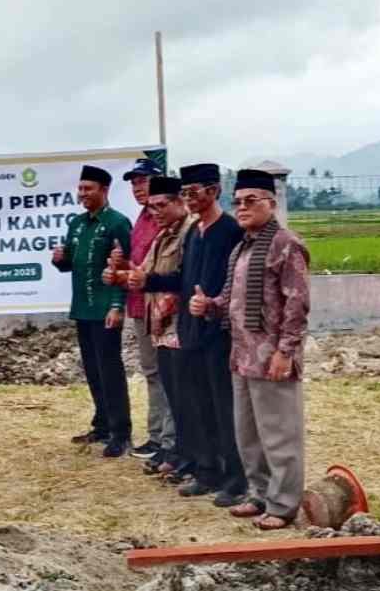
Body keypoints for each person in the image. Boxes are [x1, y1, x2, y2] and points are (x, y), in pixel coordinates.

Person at [191, 169, 310, 531]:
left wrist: (285, 351)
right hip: (242, 355)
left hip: (272, 357)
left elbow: (297, 304)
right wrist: (209, 305)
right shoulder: (242, 247)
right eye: (237, 201)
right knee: (249, 435)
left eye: (250, 200)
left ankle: (284, 505)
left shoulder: (286, 244)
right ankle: (259, 494)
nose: (241, 207)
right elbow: (231, 300)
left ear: (270, 204)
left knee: (279, 434)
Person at [128, 163, 246, 506]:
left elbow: (234, 284)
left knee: (223, 408)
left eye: (194, 192)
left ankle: (234, 478)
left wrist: (213, 305)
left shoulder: (229, 231)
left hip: (219, 332)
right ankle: (206, 472)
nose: (190, 199)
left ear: (214, 191)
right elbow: (183, 280)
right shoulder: (196, 232)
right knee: (199, 405)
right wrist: (149, 281)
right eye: (185, 193)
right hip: (190, 331)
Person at [108, 176, 196, 477]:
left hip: (182, 323)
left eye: (161, 205)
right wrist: (121, 274)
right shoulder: (162, 234)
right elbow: (143, 272)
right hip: (159, 322)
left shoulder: (190, 232)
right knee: (166, 383)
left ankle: (179, 449)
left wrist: (142, 279)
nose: (155, 211)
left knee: (183, 389)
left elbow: (182, 280)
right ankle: (171, 447)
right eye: (152, 207)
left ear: (179, 201)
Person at [52, 165, 134, 458]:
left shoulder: (117, 223)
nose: (82, 194)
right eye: (80, 188)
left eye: (88, 189)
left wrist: (117, 305)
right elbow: (70, 263)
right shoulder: (77, 223)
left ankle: (121, 433)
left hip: (105, 310)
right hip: (83, 309)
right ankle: (102, 426)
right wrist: (59, 260)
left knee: (110, 370)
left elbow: (124, 267)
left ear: (104, 190)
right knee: (93, 370)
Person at [118, 158, 171, 461]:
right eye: (134, 183)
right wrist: (122, 268)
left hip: (163, 307)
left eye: (143, 181)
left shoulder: (165, 220)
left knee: (167, 373)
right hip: (140, 305)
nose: (137, 188)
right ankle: (157, 436)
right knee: (152, 372)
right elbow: (138, 266)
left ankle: (168, 440)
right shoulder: (141, 219)